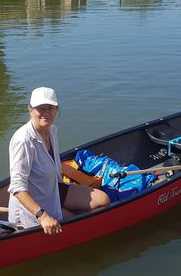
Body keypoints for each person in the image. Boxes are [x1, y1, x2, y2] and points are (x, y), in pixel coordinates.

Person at [7, 87, 110, 234]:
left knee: (103, 200)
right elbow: (17, 187)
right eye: (40, 108)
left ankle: (69, 215)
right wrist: (42, 216)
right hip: (33, 206)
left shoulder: (52, 130)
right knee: (75, 222)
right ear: (30, 110)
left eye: (50, 108)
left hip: (52, 190)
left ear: (57, 110)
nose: (46, 113)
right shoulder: (23, 141)